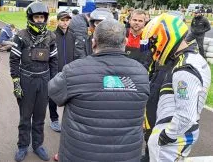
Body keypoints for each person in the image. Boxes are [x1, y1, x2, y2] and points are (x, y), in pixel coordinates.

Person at [49, 19, 149, 162]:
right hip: (126, 156)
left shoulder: (74, 70)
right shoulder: (141, 73)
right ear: (125, 42)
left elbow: (54, 92)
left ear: (94, 42)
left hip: (80, 155)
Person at [140, 13, 211, 162]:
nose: (152, 49)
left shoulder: (184, 68)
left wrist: (165, 136)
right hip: (174, 135)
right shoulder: (187, 58)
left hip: (171, 141)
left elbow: (186, 115)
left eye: (153, 43)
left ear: (164, 37)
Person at [10, 2, 58, 162]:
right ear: (31, 18)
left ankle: (38, 145)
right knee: (25, 117)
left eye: (42, 17)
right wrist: (16, 82)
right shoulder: (21, 36)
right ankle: (23, 146)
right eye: (36, 17)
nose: (39, 20)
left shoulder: (51, 37)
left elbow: (54, 61)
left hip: (43, 80)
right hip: (26, 79)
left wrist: (52, 82)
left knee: (39, 116)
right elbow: (14, 60)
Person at [49, 11, 75, 133]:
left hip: (69, 72)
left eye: (67, 20)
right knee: (53, 97)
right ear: (58, 21)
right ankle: (54, 119)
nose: (65, 22)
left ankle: (68, 120)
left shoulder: (72, 36)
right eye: (62, 20)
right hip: (55, 71)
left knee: (70, 97)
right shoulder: (52, 36)